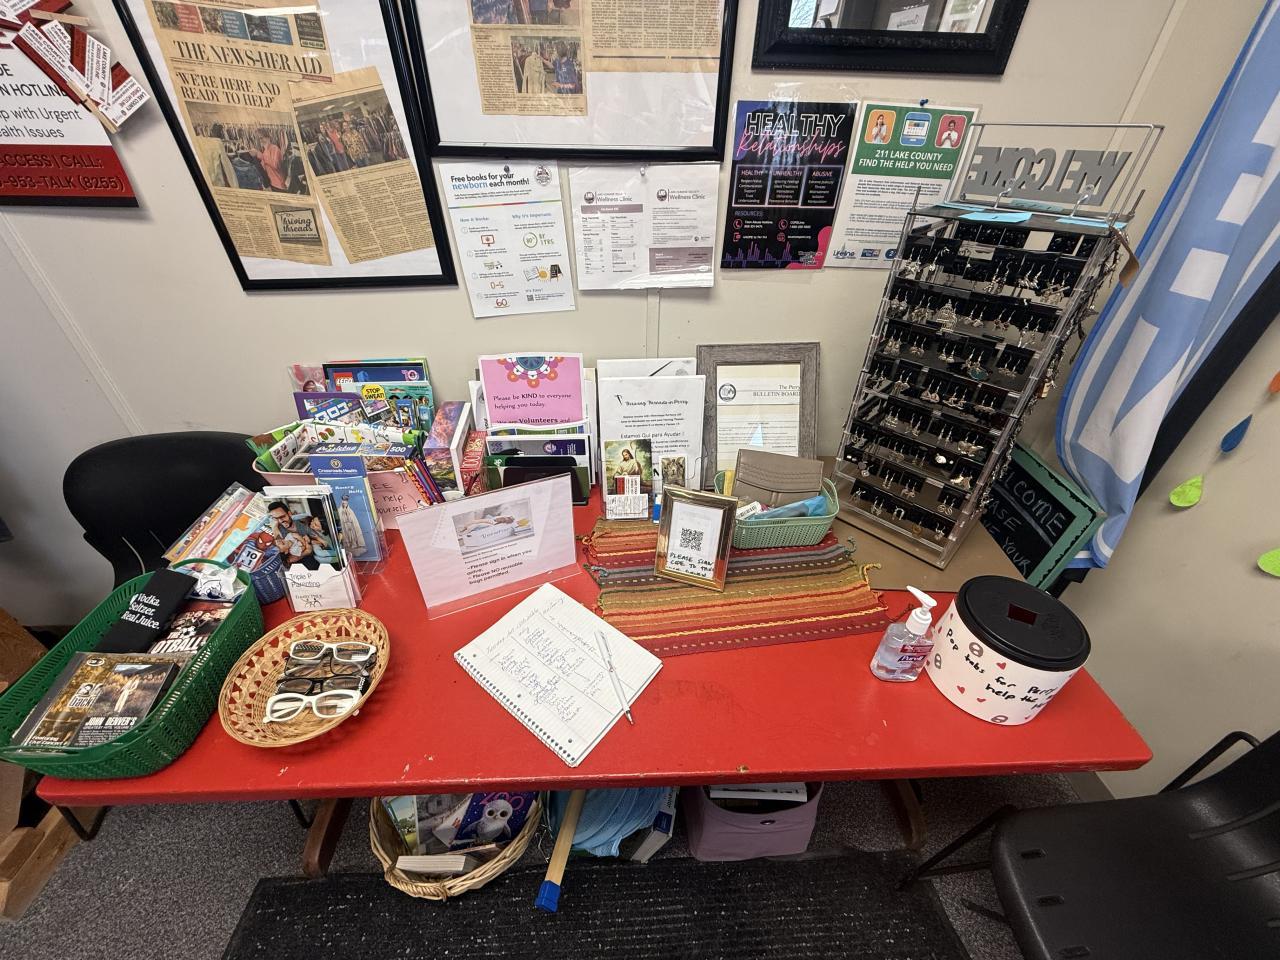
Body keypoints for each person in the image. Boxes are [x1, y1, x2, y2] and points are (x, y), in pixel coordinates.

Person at [269, 501, 316, 569]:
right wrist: (275, 527)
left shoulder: (302, 521)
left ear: (289, 514)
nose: (280, 521)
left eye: (282, 517)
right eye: (276, 518)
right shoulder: (278, 531)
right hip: (295, 562)